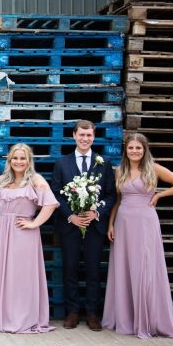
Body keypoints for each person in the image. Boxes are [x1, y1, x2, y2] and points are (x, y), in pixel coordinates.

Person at [102, 133, 173, 339]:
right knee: (124, 266)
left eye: (138, 148)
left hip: (145, 221)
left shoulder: (154, 168)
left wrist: (159, 195)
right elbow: (118, 200)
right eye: (131, 148)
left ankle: (148, 318)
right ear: (126, 150)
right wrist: (111, 224)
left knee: (144, 266)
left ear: (144, 149)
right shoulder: (119, 170)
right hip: (123, 221)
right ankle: (127, 317)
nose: (134, 151)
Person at [0, 143, 58, 333]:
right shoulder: (1, 180)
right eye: (15, 158)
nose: (18, 161)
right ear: (9, 160)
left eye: (23, 158)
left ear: (29, 160)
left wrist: (34, 223)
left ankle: (20, 318)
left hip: (22, 233)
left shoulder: (36, 180)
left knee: (20, 276)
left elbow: (50, 204)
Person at [51, 120, 116, 331]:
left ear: (94, 137)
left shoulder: (104, 162)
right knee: (69, 268)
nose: (85, 139)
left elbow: (110, 194)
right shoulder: (62, 163)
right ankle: (72, 312)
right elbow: (56, 193)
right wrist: (71, 216)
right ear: (74, 135)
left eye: (89, 135)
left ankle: (92, 313)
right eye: (81, 135)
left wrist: (97, 212)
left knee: (93, 269)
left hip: (94, 225)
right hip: (70, 225)